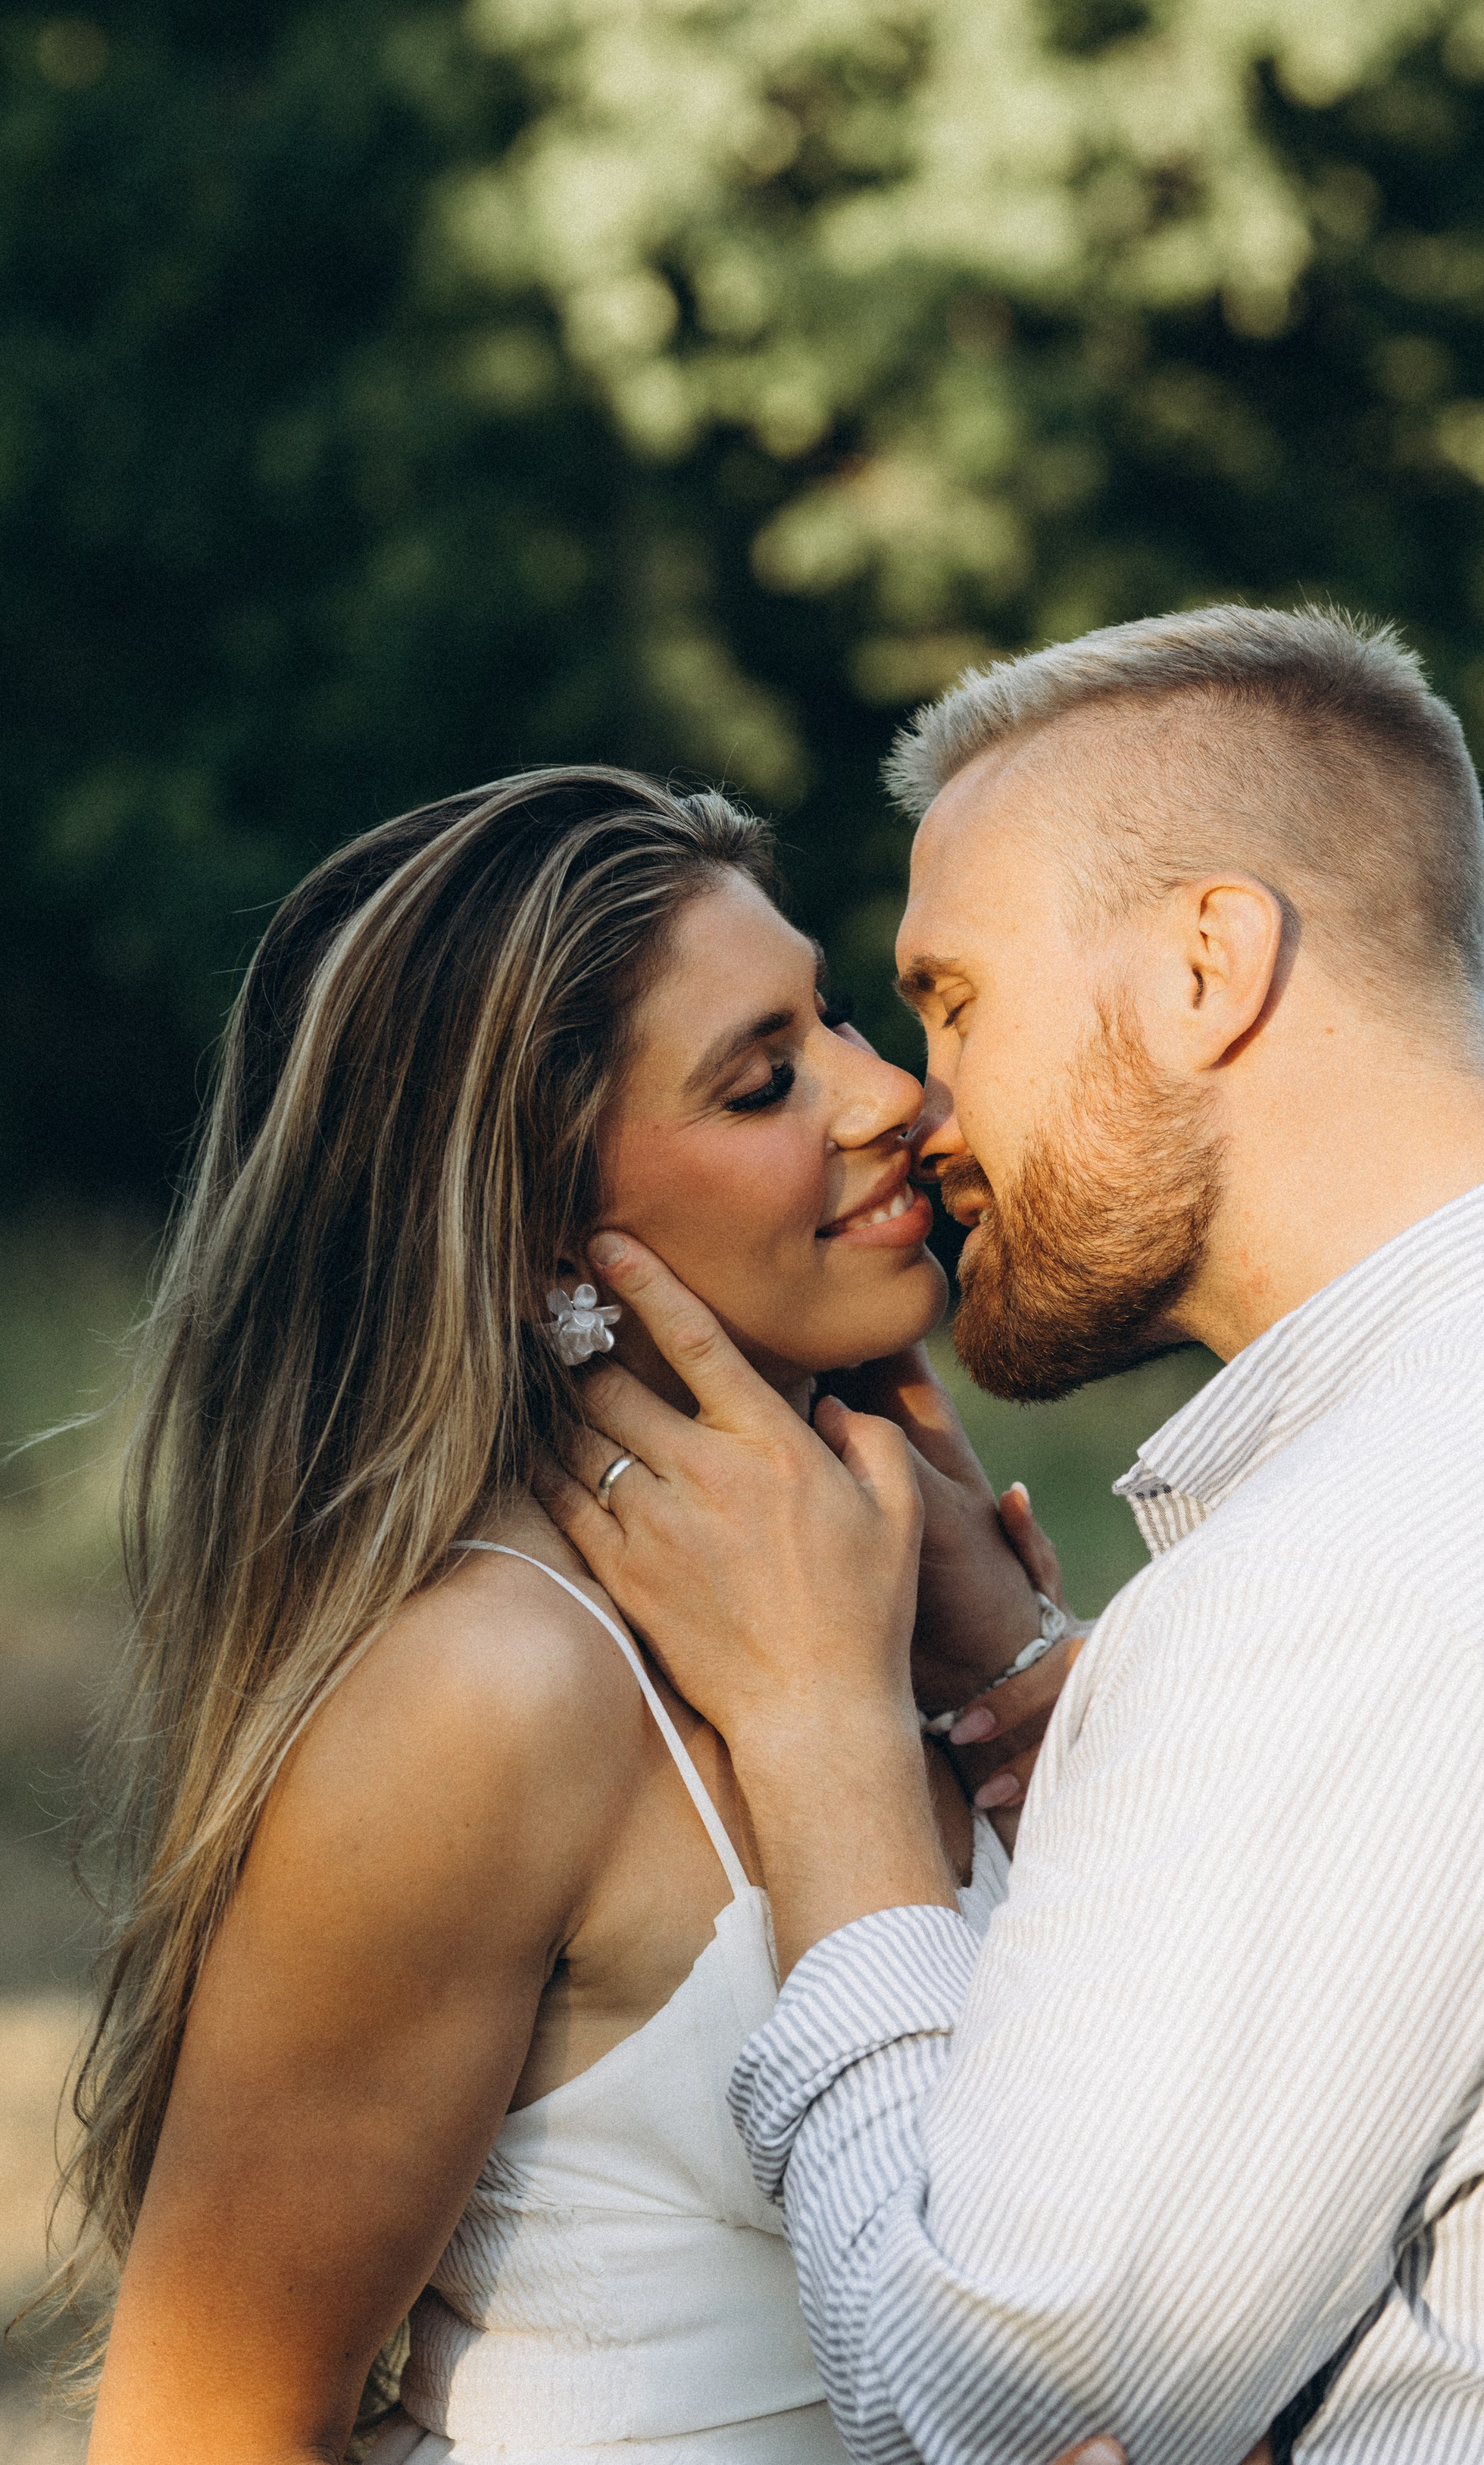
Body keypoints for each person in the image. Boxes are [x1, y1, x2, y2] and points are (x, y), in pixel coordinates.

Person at [548, 605, 1484, 2465]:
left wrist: (821, 1739)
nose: (915, 1103)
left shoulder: (1337, 1599)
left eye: (953, 998)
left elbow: (965, 2406)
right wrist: (1069, 1713)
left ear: (1207, 966)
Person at [61, 765, 1073, 2465]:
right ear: (541, 1226)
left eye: (832, 1019)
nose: (889, 1093)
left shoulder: (909, 1581)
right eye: (764, 1080)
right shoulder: (492, 1689)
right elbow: (204, 2430)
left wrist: (1027, 1669)